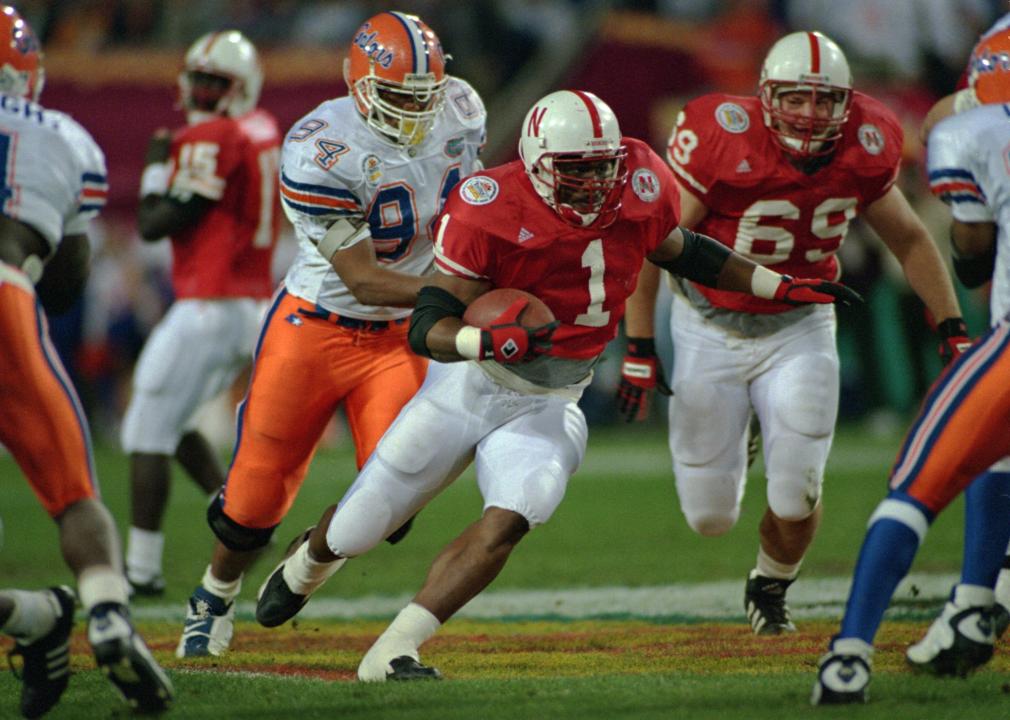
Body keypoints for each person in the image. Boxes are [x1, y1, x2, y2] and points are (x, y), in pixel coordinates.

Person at [252, 89, 861, 682]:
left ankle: (394, 649)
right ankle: (310, 562)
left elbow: (684, 250)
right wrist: (481, 340)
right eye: (578, 168)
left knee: (516, 512)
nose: (597, 181)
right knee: (358, 528)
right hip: (467, 385)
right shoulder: (487, 203)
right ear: (539, 165)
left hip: (551, 398)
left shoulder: (642, 183)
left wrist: (776, 285)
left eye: (605, 165)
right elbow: (425, 326)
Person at [617, 30, 968, 636]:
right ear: (765, 97)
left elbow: (909, 237)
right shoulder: (721, 136)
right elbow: (656, 246)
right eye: (795, 99)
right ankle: (748, 429)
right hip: (707, 323)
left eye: (825, 100)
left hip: (801, 324)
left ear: (847, 103)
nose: (810, 114)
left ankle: (771, 582)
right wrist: (642, 345)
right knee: (709, 517)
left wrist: (953, 326)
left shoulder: (868, 140)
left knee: (797, 489)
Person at [175, 10, 486, 658]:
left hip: (402, 333)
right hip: (317, 325)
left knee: (397, 496)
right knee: (253, 500)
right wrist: (462, 292)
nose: (415, 113)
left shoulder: (461, 109)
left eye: (423, 98)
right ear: (361, 84)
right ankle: (213, 596)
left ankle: (307, 565)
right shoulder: (319, 144)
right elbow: (366, 278)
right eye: (399, 97)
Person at [0, 6, 173, 716]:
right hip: (8, 300)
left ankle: (39, 616)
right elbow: (68, 282)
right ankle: (98, 609)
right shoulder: (65, 138)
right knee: (73, 492)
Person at [121, 29, 282, 598]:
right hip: (247, 302)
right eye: (202, 80)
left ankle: (140, 568)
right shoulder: (261, 127)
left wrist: (154, 168)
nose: (206, 92)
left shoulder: (212, 136)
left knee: (143, 430)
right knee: (179, 422)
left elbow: (154, 223)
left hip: (209, 305)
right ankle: (244, 525)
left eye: (219, 83)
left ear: (239, 87)